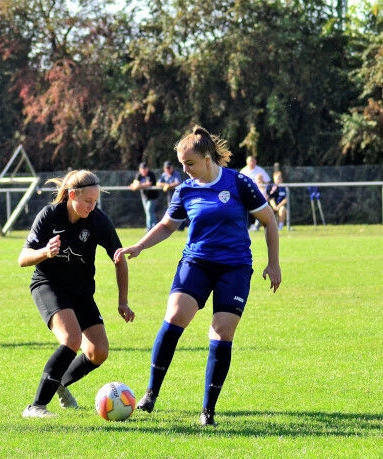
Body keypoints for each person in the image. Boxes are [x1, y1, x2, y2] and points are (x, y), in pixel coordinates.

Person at [114, 125, 281, 426]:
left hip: (234, 266)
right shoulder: (185, 190)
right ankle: (151, 393)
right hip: (197, 263)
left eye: (189, 163)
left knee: (222, 332)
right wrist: (139, 246)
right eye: (182, 164)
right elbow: (167, 225)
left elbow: (269, 220)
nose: (185, 170)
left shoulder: (238, 182)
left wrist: (274, 264)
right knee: (175, 315)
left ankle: (208, 411)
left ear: (207, 159)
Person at [19, 169, 135, 418]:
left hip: (81, 292)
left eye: (95, 201)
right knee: (71, 340)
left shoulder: (98, 220)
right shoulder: (50, 215)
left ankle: (58, 382)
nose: (92, 207)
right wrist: (45, 252)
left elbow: (119, 259)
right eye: (87, 201)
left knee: (98, 352)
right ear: (72, 195)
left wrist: (123, 301)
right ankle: (36, 406)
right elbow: (23, 258)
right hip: (48, 285)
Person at [129, 162, 159, 231]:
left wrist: (138, 186)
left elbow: (148, 184)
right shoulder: (139, 175)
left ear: (147, 169)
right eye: (142, 169)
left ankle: (150, 227)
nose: (144, 170)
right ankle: (153, 227)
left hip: (152, 196)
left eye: (145, 169)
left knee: (149, 210)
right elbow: (135, 183)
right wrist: (136, 185)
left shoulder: (151, 174)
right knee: (148, 212)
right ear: (140, 170)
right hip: (144, 196)